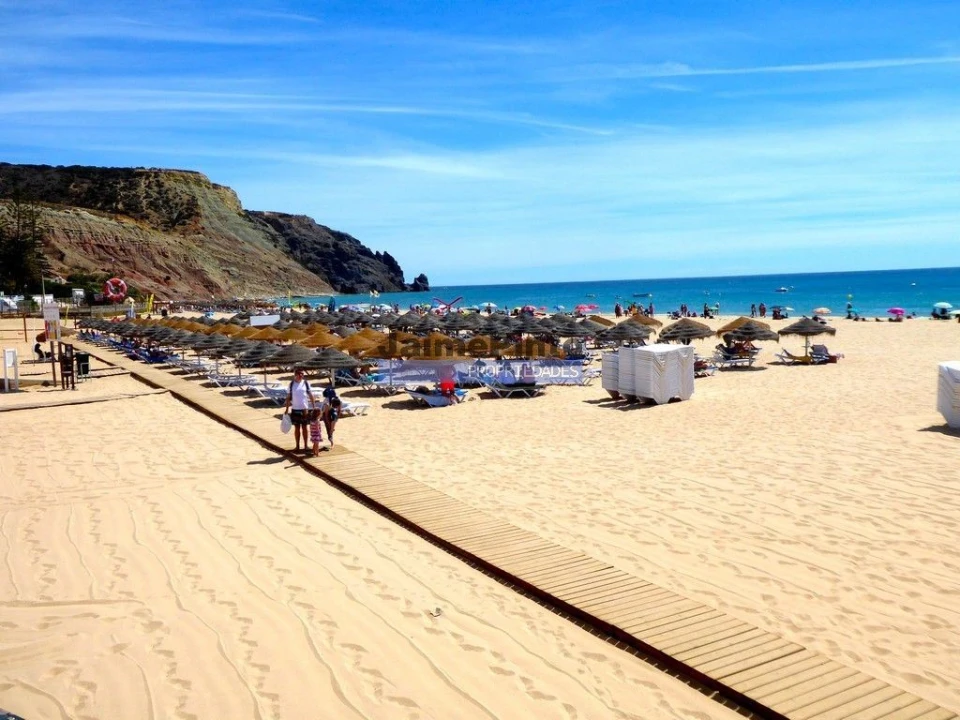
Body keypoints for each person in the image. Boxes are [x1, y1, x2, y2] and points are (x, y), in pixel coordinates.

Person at [284, 368, 316, 452]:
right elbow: (288, 398)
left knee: (305, 428)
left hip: (304, 409)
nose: (301, 375)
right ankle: (297, 446)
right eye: (299, 374)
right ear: (295, 374)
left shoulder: (305, 383)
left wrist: (314, 406)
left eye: (302, 374)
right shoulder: (291, 384)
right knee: (297, 428)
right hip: (295, 409)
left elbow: (311, 395)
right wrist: (287, 409)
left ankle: (305, 446)